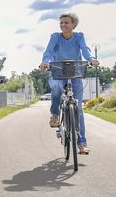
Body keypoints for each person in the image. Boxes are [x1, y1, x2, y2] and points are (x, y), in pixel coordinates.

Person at [39, 12, 99, 154]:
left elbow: (85, 49)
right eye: (61, 23)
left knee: (78, 109)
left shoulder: (79, 37)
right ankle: (54, 115)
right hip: (58, 72)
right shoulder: (55, 37)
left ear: (73, 25)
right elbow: (48, 51)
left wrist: (91, 59)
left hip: (75, 72)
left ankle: (82, 143)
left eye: (66, 22)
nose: (63, 25)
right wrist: (45, 61)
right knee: (56, 89)